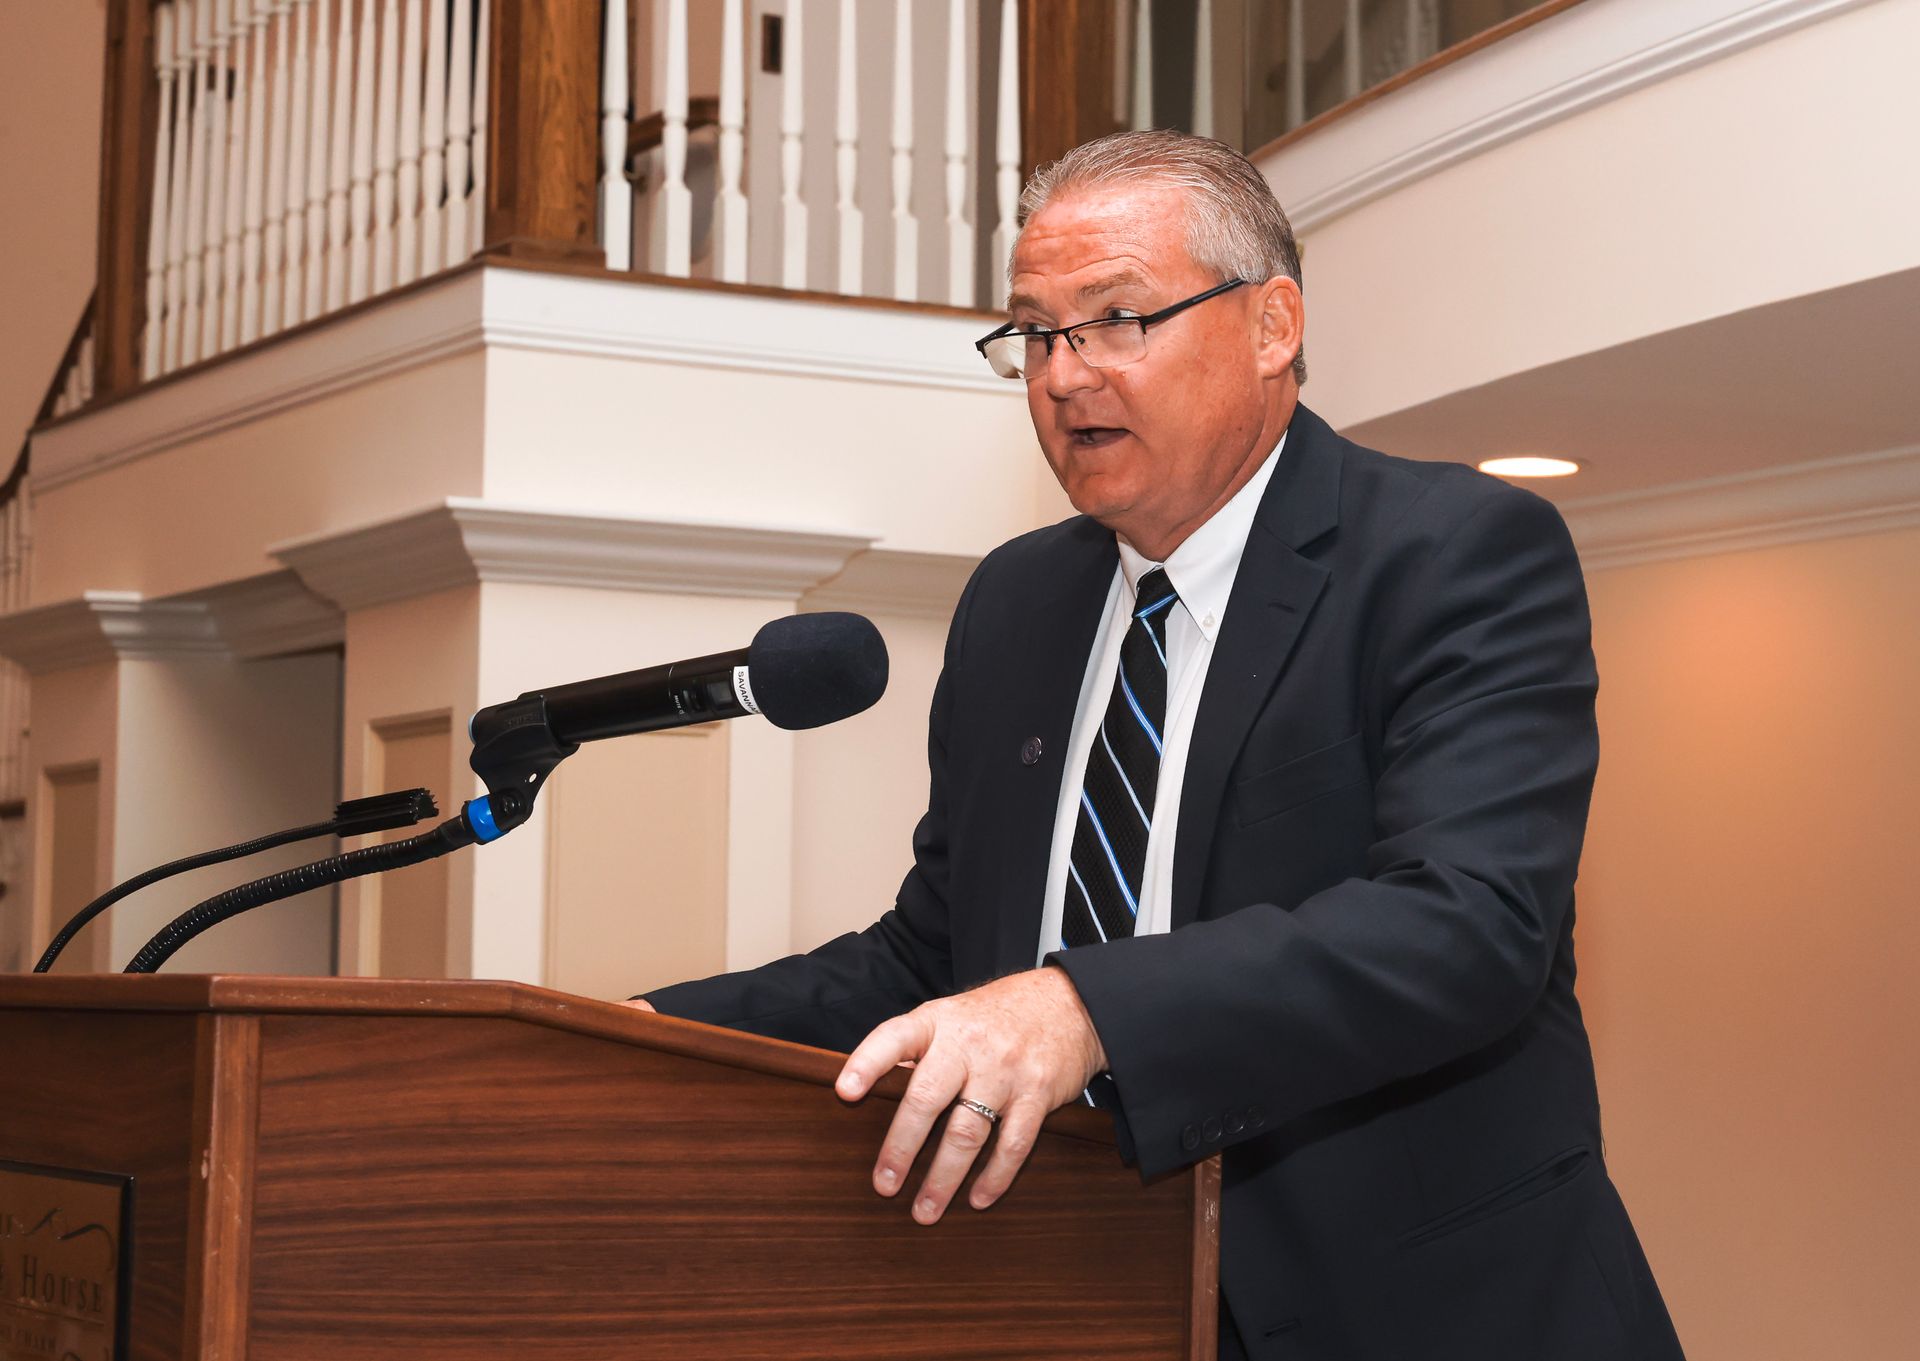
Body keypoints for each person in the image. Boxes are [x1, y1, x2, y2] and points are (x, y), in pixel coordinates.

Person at [627, 130, 1684, 1360]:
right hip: (1085, 1297)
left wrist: (1090, 1006)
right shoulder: (1017, 601)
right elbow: (943, 951)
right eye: (1033, 332)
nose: (1065, 374)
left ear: (1272, 323)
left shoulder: (1457, 552)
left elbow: (1467, 921)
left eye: (1118, 317)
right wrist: (637, 1034)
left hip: (1433, 1310)